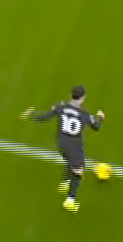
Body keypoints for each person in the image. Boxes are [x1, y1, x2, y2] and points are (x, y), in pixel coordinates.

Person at [22, 84, 107, 212]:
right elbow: (96, 127)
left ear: (71, 95)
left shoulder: (61, 106)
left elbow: (45, 117)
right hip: (74, 145)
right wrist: (100, 117)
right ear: (83, 97)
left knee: (69, 161)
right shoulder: (85, 114)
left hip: (61, 142)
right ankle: (69, 201)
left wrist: (32, 114)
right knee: (78, 171)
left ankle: (65, 183)